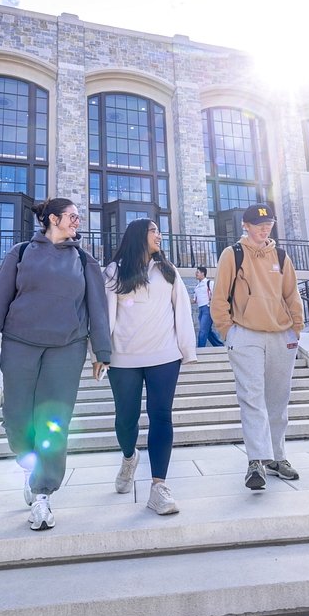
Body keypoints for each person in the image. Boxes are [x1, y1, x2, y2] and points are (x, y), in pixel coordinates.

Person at [0, 198, 112, 531]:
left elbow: (98, 307)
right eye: (72, 216)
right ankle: (29, 464)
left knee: (54, 422)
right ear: (53, 219)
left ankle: (42, 493)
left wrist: (102, 351)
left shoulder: (84, 260)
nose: (78, 221)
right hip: (20, 343)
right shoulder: (21, 253)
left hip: (67, 347)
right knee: (16, 417)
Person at [104, 218, 197, 514]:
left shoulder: (168, 271)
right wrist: (100, 353)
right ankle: (129, 457)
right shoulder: (114, 271)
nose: (159, 235)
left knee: (161, 416)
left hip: (165, 355)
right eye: (153, 230)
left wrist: (187, 350)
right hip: (123, 358)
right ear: (138, 236)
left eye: (159, 230)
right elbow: (106, 314)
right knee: (126, 419)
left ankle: (159, 487)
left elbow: (182, 310)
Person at [209, 202, 305, 490]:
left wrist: (296, 329)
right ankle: (256, 461)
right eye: (259, 225)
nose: (265, 229)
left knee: (278, 400)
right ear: (246, 226)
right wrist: (228, 332)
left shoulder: (281, 256)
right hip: (246, 335)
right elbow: (219, 298)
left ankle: (277, 457)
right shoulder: (233, 254)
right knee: (252, 398)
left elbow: (292, 295)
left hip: (281, 335)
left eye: (269, 225)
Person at [192, 265, 223, 347]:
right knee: (207, 331)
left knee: (203, 330)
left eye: (198, 272)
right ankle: (219, 346)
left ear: (203, 273)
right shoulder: (197, 287)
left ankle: (200, 348)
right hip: (201, 309)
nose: (196, 274)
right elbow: (194, 300)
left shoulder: (209, 283)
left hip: (208, 308)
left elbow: (216, 294)